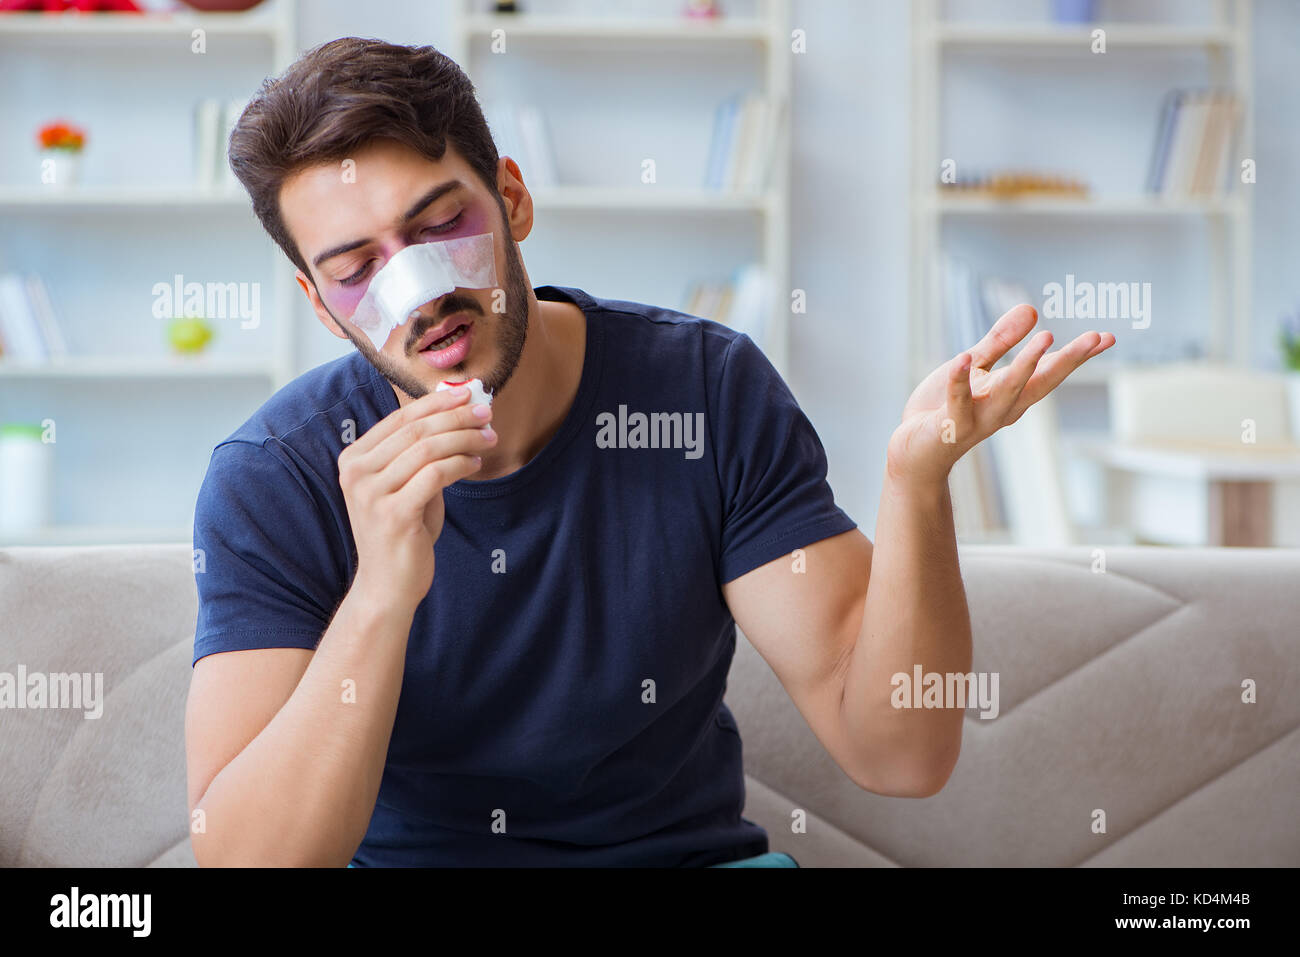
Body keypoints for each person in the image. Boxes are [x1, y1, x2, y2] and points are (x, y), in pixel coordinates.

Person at [184, 37, 1114, 868]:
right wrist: (383, 592)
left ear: (511, 197)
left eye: (437, 227)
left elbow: (903, 754)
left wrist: (917, 481)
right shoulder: (275, 474)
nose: (417, 294)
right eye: (357, 271)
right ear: (319, 303)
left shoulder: (706, 393)